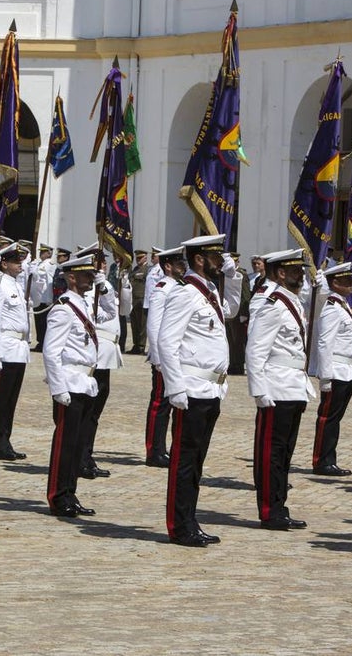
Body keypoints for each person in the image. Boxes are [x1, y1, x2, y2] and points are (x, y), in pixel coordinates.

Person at [157, 234, 242, 547]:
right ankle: (179, 526)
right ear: (199, 259)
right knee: (185, 460)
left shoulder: (209, 291)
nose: (221, 260)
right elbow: (167, 341)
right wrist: (175, 388)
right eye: (215, 255)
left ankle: (190, 519)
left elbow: (231, 310)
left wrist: (233, 278)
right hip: (191, 389)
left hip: (211, 389)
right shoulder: (184, 293)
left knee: (197, 461)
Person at [248, 249, 323, 530]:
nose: (300, 275)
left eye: (301, 271)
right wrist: (259, 391)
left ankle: (280, 506)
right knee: (272, 453)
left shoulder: (292, 302)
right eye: (295, 271)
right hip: (276, 388)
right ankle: (269, 510)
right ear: (280, 273)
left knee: (285, 453)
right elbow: (255, 351)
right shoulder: (272, 305)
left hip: (293, 387)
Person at [43, 253, 101, 518]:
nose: (91, 278)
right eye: (86, 275)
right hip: (70, 383)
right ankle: (58, 495)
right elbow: (51, 353)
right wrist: (58, 389)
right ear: (70, 277)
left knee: (77, 444)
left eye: (91, 274)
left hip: (85, 382)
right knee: (65, 444)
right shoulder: (63, 309)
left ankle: (70, 492)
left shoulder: (83, 305)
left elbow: (110, 310)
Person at [310, 262, 352, 477]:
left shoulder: (342, 305)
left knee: (335, 419)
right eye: (347, 281)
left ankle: (329, 457)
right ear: (336, 283)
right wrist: (326, 376)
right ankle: (322, 460)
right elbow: (324, 343)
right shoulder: (332, 308)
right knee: (328, 418)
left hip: (347, 370)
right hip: (337, 371)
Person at [0, 242, 31, 460]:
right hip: (5, 347)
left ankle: (6, 438)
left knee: (11, 400)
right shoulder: (0, 284)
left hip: (19, 349)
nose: (19, 264)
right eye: (15, 261)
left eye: (20, 260)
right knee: (0, 400)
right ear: (4, 264)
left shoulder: (16, 284)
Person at [144, 245, 185, 467]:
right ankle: (154, 450)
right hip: (163, 358)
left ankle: (165, 448)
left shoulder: (181, 287)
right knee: (160, 404)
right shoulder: (162, 288)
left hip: (177, 356)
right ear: (168, 266)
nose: (184, 268)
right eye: (180, 264)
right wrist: (158, 359)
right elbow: (154, 325)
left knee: (172, 404)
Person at [81, 250, 120, 480]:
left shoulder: (102, 287)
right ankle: (80, 458)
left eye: (104, 261)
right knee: (86, 411)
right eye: (97, 262)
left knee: (94, 413)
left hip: (105, 356)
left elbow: (114, 312)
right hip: (92, 356)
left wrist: (106, 287)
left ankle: (86, 455)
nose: (102, 265)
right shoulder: (83, 293)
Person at [29, 245, 55, 351]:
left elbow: (47, 279)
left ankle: (44, 343)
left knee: (44, 322)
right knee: (38, 322)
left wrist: (49, 298)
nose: (41, 254)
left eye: (44, 252)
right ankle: (40, 342)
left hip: (45, 297)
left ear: (49, 253)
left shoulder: (49, 265)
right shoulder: (39, 264)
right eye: (41, 252)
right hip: (39, 297)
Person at [128, 249, 149, 354]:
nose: (138, 260)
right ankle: (135, 345)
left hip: (142, 299)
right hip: (133, 299)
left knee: (142, 324)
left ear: (145, 258)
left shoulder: (147, 270)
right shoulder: (135, 269)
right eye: (137, 258)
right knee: (134, 324)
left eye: (140, 258)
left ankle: (141, 346)